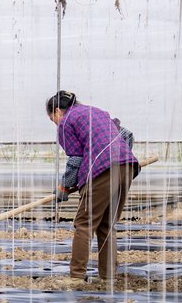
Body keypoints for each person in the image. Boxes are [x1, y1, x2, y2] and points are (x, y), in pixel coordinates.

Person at [47, 91, 140, 287]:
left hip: (102, 169)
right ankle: (108, 276)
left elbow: (76, 159)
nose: (55, 123)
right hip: (128, 166)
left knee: (84, 224)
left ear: (57, 111)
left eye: (52, 118)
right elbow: (126, 135)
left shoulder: (66, 122)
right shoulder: (98, 112)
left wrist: (64, 186)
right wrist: (120, 159)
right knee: (106, 225)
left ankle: (76, 277)